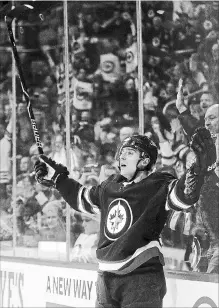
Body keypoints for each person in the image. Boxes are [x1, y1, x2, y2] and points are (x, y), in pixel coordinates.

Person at [34, 132, 216, 307]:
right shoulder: (109, 187)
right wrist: (58, 179)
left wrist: (198, 169)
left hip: (141, 277)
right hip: (105, 278)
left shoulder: (158, 185)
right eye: (121, 153)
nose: (122, 157)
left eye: (129, 153)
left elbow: (184, 194)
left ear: (144, 161)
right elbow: (81, 198)